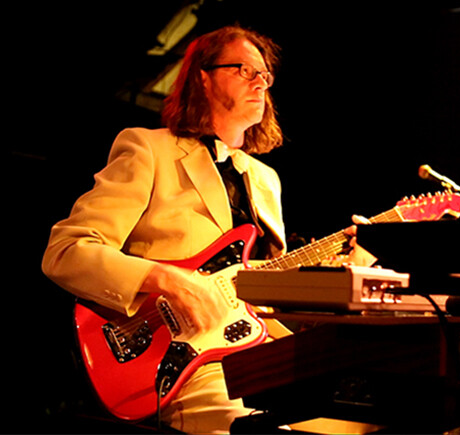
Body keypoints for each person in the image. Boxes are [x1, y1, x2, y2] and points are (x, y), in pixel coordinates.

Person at [42, 25, 371, 434]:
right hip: (186, 364)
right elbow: (66, 251)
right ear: (203, 76)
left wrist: (344, 268)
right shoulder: (149, 149)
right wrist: (166, 279)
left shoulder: (267, 180)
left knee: (386, 417)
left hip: (265, 353)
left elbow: (269, 291)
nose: (260, 83)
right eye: (244, 70)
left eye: (265, 75)